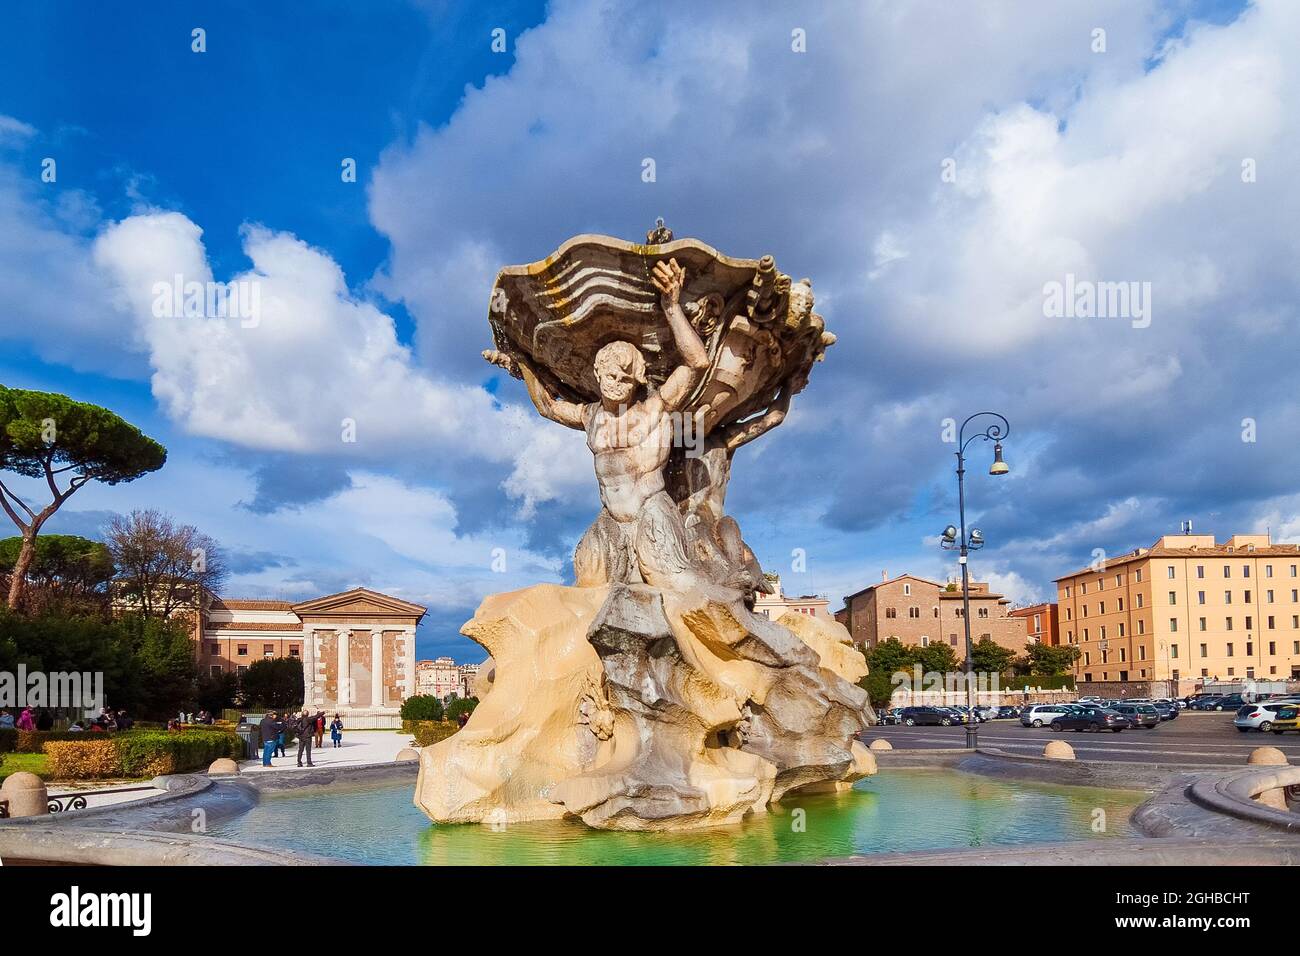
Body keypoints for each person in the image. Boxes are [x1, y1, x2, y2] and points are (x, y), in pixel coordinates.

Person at [483, 257, 712, 593]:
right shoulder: (590, 416)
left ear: (635, 382)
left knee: (677, 588)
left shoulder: (654, 409)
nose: (616, 383)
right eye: (609, 375)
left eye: (624, 378)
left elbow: (698, 361)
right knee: (587, 584)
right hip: (610, 522)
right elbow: (547, 406)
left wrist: (672, 305)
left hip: (651, 514)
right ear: (598, 374)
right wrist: (522, 362)